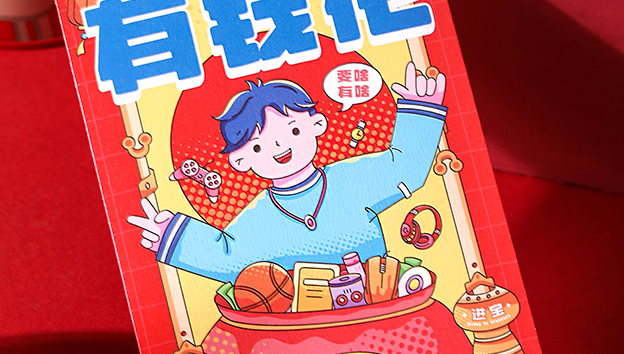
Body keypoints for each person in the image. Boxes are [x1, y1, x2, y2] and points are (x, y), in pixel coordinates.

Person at [128, 63, 446, 284]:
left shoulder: (351, 180)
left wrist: (421, 112)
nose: (279, 146)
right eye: (257, 146)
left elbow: (404, 169)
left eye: (293, 130)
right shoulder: (259, 217)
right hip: (296, 325)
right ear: (240, 160)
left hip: (380, 302)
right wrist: (174, 237)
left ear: (316, 125)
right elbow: (226, 256)